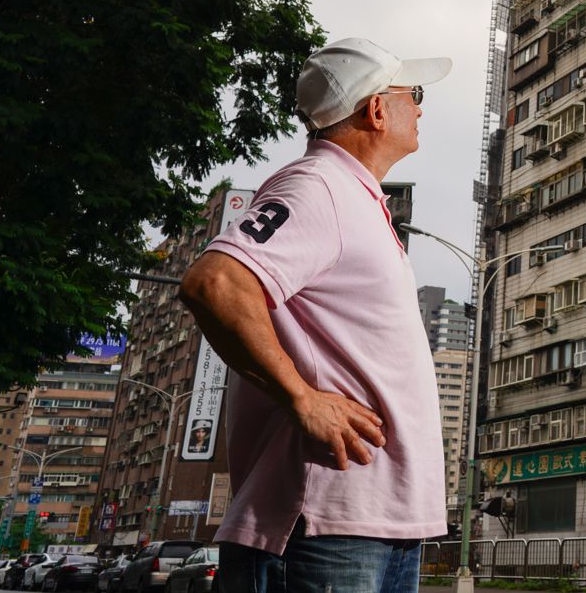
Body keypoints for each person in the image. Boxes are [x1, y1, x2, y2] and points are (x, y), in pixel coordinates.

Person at [179, 38, 451, 593]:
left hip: (377, 524)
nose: (421, 108)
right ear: (376, 109)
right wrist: (303, 398)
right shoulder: (317, 187)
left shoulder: (357, 198)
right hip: (320, 527)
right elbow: (215, 283)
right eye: (414, 94)